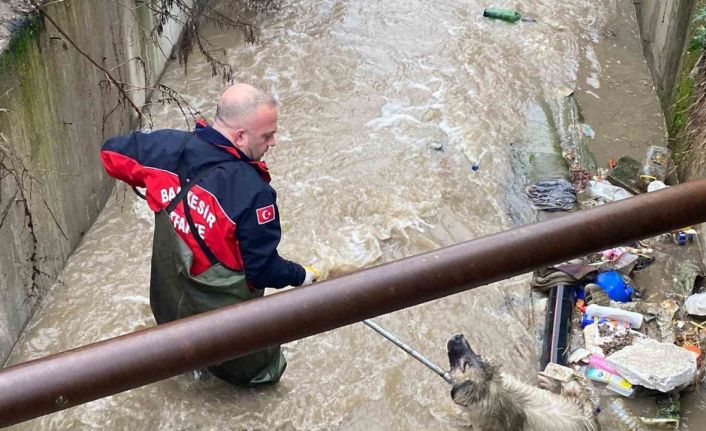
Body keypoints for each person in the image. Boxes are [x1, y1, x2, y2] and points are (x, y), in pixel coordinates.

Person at [100, 83, 318, 387]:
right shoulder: (254, 194)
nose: (273, 143)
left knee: (177, 357)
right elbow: (262, 270)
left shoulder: (165, 149)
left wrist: (158, 188)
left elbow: (109, 152)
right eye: (267, 136)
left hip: (171, 299)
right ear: (240, 136)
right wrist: (302, 276)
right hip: (224, 320)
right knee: (262, 381)